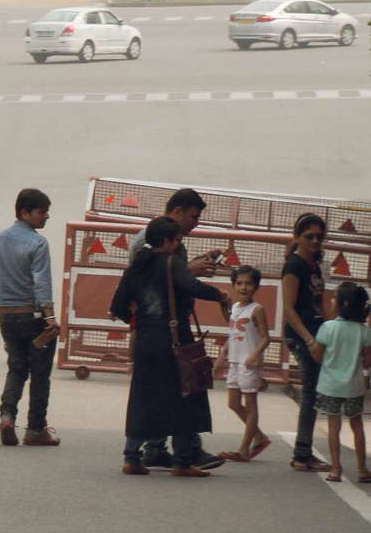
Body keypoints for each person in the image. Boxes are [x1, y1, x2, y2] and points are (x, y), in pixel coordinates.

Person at [130, 188, 232, 470]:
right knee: (184, 388)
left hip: (164, 328)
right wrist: (195, 276)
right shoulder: (148, 242)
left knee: (167, 390)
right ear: (176, 212)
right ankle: (185, 452)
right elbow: (154, 281)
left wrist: (192, 266)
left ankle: (155, 448)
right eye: (193, 217)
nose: (195, 223)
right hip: (164, 330)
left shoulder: (168, 241)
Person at [111, 216, 215, 476]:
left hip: (146, 343)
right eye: (177, 239)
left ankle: (131, 457)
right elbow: (192, 286)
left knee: (143, 399)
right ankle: (182, 461)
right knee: (184, 397)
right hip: (174, 342)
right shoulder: (172, 262)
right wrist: (221, 295)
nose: (179, 244)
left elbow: (118, 307)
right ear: (168, 241)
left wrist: (142, 320)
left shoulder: (136, 267)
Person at [0, 187, 59, 446]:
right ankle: (36, 429)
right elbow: (41, 282)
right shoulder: (38, 243)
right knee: (40, 373)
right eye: (42, 212)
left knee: (16, 368)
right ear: (25, 212)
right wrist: (49, 316)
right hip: (34, 318)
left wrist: (2, 305)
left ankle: (7, 416)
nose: (46, 217)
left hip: (7, 315)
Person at [282, 213, 335, 472]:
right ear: (298, 237)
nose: (315, 241)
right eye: (309, 236)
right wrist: (310, 340)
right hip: (301, 335)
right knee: (311, 391)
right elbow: (289, 309)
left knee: (314, 391)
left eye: (319, 236)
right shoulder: (294, 265)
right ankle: (302, 454)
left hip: (316, 334)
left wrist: (332, 330)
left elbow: (321, 303)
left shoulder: (314, 263)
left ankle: (303, 451)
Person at [312, 282, 370, 483]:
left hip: (330, 386)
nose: (331, 300)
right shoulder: (364, 331)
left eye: (334, 297)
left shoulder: (327, 328)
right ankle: (362, 469)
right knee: (357, 425)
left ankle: (336, 468)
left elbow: (318, 357)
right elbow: (368, 361)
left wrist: (311, 344)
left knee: (334, 427)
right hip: (354, 387)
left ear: (343, 303)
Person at [218, 266, 271, 462]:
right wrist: (221, 358)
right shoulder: (235, 308)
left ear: (256, 286)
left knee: (250, 405)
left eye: (248, 283)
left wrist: (255, 355)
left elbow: (266, 338)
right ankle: (260, 437)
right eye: (239, 283)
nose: (243, 287)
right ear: (233, 285)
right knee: (233, 403)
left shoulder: (257, 309)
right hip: (234, 361)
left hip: (249, 362)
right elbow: (232, 335)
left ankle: (243, 450)